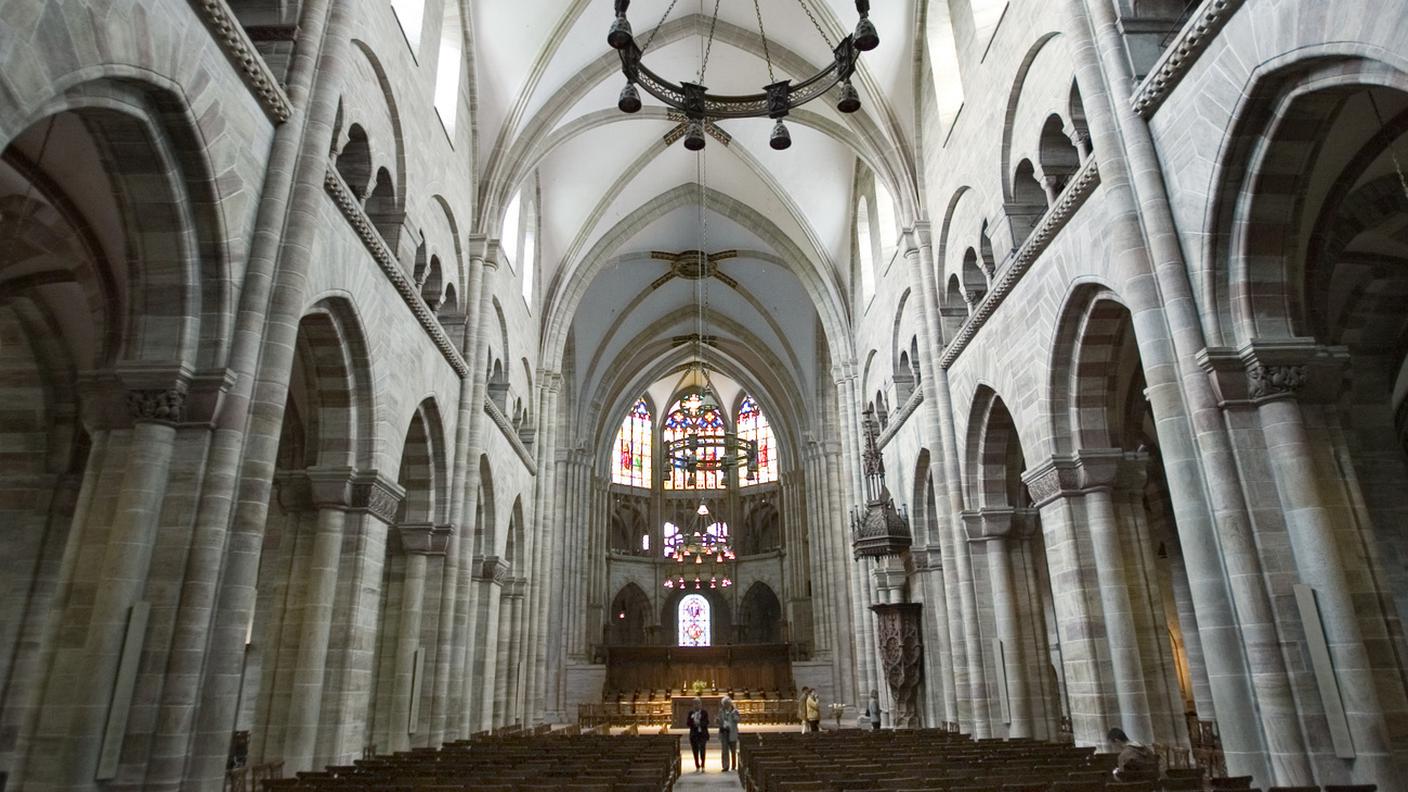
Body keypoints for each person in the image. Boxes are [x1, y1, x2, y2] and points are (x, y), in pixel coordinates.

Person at [687, 696, 710, 773]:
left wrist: (700, 723)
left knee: (702, 750)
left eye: (698, 703)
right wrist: (694, 723)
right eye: (695, 704)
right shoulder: (691, 713)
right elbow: (688, 723)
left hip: (702, 734)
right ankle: (697, 765)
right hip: (694, 734)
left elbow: (707, 722)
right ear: (693, 705)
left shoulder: (704, 712)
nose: (696, 705)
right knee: (695, 750)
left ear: (701, 704)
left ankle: (703, 765)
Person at [718, 696, 741, 772]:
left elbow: (738, 720)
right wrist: (718, 721)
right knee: (724, 750)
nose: (725, 706)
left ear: (729, 704)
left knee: (733, 750)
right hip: (724, 732)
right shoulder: (721, 711)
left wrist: (733, 716)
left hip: (732, 732)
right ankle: (725, 766)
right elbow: (719, 720)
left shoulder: (735, 711)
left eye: (726, 704)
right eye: (724, 704)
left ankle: (733, 766)